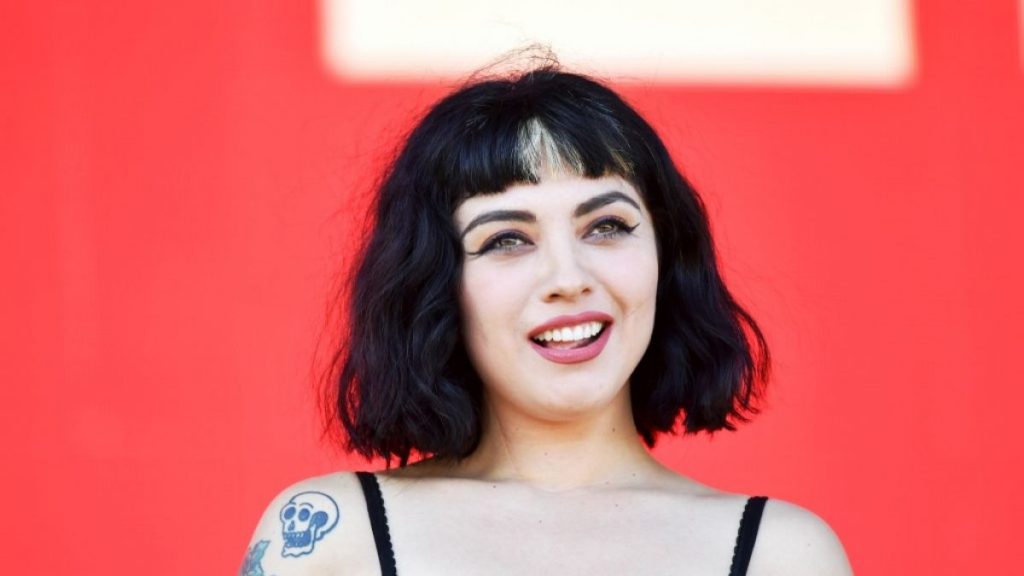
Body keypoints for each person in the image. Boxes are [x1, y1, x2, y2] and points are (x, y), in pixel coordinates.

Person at [240, 64, 853, 575]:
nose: (568, 277)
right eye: (507, 239)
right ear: (435, 286)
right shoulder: (330, 537)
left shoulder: (781, 554)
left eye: (606, 226)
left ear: (667, 258)